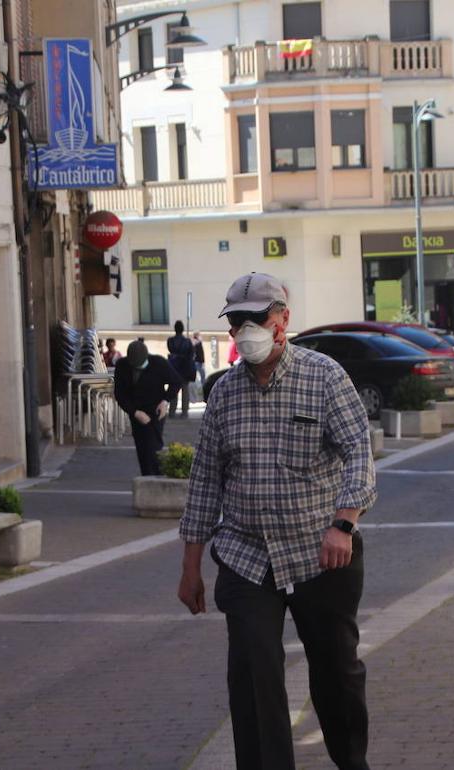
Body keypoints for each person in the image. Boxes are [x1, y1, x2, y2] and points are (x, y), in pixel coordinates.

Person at [178, 272, 377, 770]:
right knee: (253, 673)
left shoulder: (325, 377)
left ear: (283, 320)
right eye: (237, 322)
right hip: (247, 556)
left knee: (336, 674)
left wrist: (344, 524)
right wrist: (190, 567)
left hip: (321, 552)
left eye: (257, 319)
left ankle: (352, 762)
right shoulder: (223, 394)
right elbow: (205, 482)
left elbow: (359, 454)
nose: (246, 330)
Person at [113, 340, 182, 476]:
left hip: (155, 410)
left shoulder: (159, 363)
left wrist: (165, 401)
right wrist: (134, 412)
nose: (138, 369)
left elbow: (176, 382)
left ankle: (156, 476)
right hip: (136, 410)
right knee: (141, 446)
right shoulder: (122, 366)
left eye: (141, 366)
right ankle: (146, 476)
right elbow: (120, 394)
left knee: (153, 446)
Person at [166, 321, 197, 417]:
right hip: (184, 369)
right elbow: (192, 354)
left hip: (174, 368)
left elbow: (170, 350)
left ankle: (172, 411)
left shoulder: (170, 341)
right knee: (185, 391)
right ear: (182, 329)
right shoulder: (187, 342)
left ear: (175, 329)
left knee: (173, 390)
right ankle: (184, 412)